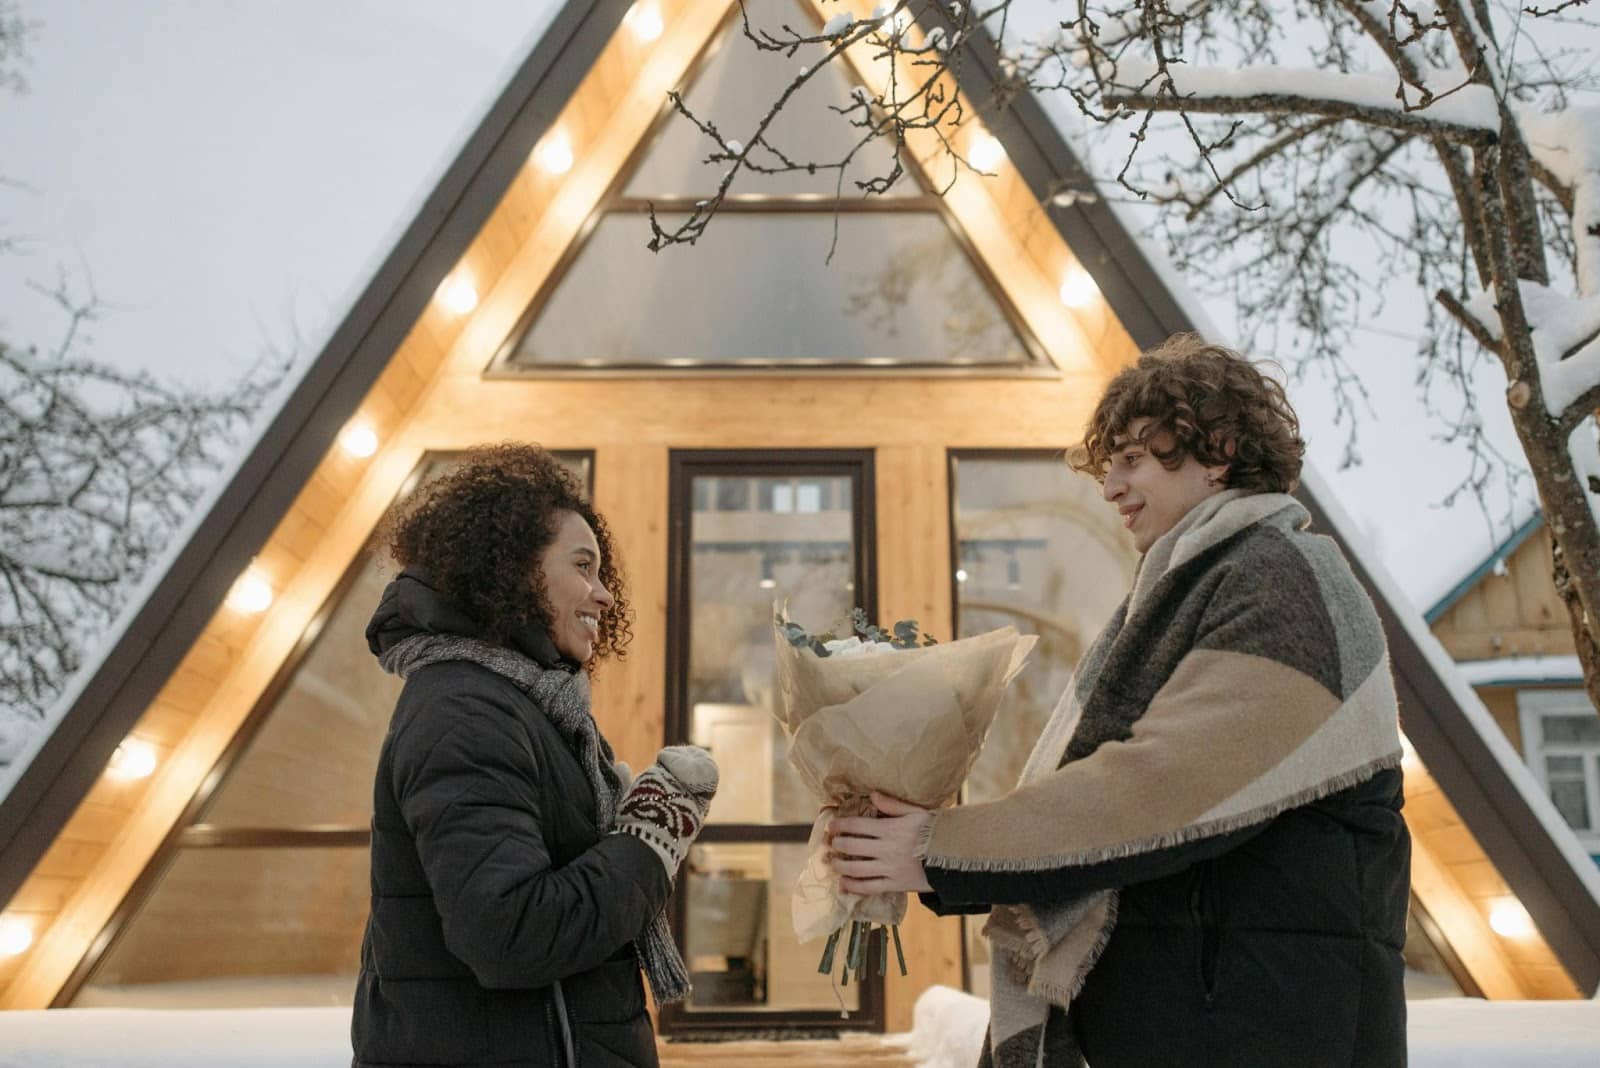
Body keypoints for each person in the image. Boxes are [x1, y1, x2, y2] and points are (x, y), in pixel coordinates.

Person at [830, 336, 1410, 1067]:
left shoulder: (1284, 580)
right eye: (1110, 467)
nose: (1110, 488)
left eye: (1133, 458)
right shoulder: (1192, 584)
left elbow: (1163, 787)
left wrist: (940, 847)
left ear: (1220, 450)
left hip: (1263, 1025)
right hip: (1213, 1019)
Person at [353, 444, 718, 1068]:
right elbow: (512, 935)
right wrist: (647, 841)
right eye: (583, 566)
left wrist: (620, 832)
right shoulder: (466, 714)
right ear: (513, 571)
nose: (604, 595)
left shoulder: (525, 710)